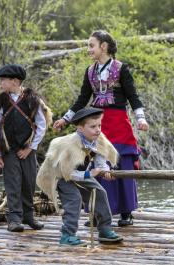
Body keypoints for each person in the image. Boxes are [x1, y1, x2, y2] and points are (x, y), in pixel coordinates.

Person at [53, 30, 148, 226]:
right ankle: (98, 213)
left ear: (103, 46)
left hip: (119, 122)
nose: (89, 49)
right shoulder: (90, 72)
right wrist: (65, 119)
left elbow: (133, 97)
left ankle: (126, 212)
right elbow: (82, 99)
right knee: (97, 166)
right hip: (98, 124)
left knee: (122, 163)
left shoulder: (122, 69)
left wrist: (141, 119)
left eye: (91, 45)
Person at [37, 108, 123, 246]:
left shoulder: (98, 139)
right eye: (93, 126)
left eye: (99, 125)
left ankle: (105, 229)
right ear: (80, 128)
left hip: (80, 174)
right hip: (62, 176)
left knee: (100, 192)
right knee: (74, 199)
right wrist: (89, 174)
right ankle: (67, 235)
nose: (98, 130)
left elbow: (100, 160)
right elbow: (67, 173)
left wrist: (105, 171)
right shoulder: (70, 145)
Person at [0, 64, 52, 232]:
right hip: (8, 149)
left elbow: (41, 124)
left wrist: (30, 148)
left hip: (27, 150)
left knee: (29, 182)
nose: (1, 84)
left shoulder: (33, 99)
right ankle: (15, 218)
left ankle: (28, 216)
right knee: (12, 183)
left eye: (3, 80)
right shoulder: (0, 101)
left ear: (15, 81)